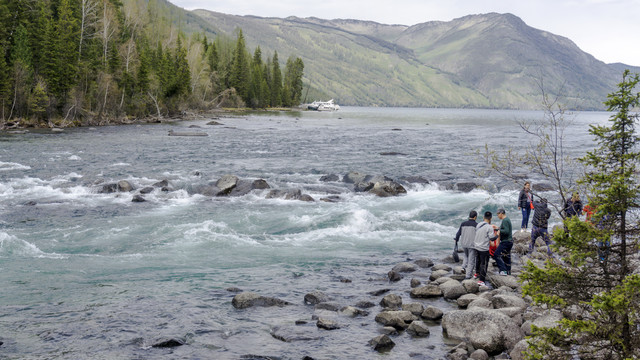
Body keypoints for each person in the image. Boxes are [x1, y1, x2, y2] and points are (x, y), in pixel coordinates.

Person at [472, 211, 499, 286]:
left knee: (478, 260)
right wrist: (497, 234)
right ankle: (481, 280)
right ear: (491, 218)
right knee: (484, 264)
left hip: (476, 246)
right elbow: (492, 238)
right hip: (484, 248)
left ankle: (476, 273)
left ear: (483, 217)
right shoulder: (489, 227)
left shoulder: (478, 224)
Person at [495, 208, 513, 275]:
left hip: (506, 241)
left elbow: (506, 231)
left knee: (496, 254)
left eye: (498, 214)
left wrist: (499, 231)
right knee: (506, 256)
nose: (497, 216)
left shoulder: (505, 220)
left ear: (501, 213)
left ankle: (503, 270)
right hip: (510, 241)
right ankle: (508, 271)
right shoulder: (507, 219)